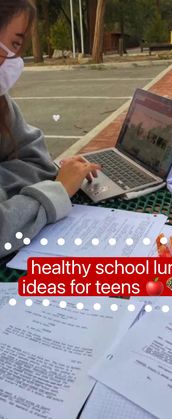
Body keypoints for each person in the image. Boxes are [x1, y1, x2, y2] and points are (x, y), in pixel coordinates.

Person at [0, 0, 100, 260]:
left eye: (18, 47)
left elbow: (38, 160)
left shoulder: (1, 103)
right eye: (11, 44)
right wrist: (59, 190)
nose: (13, 60)